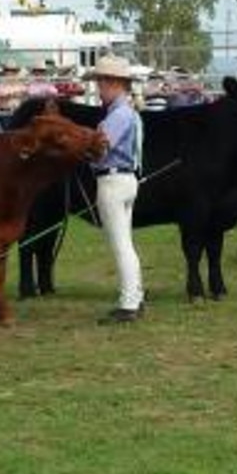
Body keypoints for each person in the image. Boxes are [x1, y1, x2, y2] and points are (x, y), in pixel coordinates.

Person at [88, 55, 145, 324]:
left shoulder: (119, 114)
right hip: (125, 180)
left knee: (121, 245)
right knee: (126, 243)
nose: (99, 89)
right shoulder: (127, 112)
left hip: (113, 181)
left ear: (113, 83)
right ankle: (135, 295)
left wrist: (81, 151)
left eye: (100, 82)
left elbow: (100, 146)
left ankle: (129, 303)